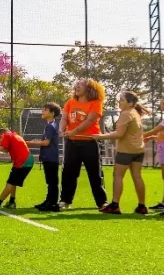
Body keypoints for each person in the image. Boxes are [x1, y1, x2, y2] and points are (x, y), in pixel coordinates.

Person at [92, 91, 148, 215]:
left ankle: (115, 205)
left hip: (126, 151)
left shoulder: (126, 114)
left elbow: (119, 134)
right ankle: (142, 206)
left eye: (122, 100)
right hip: (138, 150)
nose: (119, 102)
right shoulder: (135, 113)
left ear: (130, 103)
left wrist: (100, 137)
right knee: (137, 177)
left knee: (118, 176)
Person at [59, 78, 108, 209]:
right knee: (68, 172)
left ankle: (102, 202)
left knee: (95, 173)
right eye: (77, 84)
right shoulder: (70, 102)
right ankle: (65, 201)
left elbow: (90, 121)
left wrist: (73, 131)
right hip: (72, 143)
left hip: (89, 143)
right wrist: (61, 129)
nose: (77, 86)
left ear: (90, 89)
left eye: (81, 84)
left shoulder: (96, 102)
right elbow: (64, 118)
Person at [30, 103, 62, 212]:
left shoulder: (51, 126)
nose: (42, 112)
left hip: (51, 158)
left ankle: (52, 204)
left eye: (45, 110)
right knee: (50, 182)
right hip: (48, 158)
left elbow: (46, 143)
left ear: (52, 113)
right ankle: (48, 201)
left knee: (52, 182)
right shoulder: (50, 125)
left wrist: (28, 142)